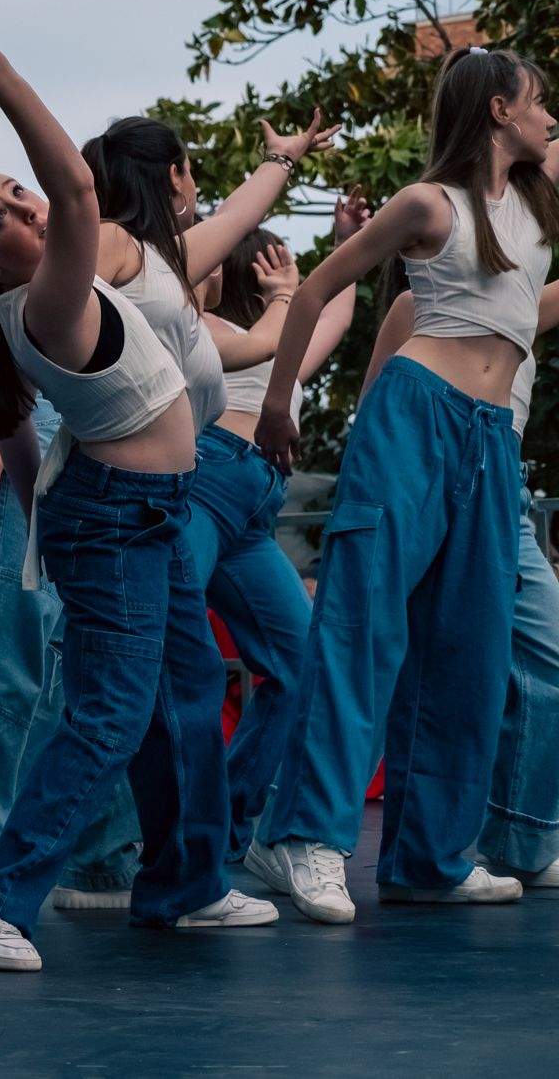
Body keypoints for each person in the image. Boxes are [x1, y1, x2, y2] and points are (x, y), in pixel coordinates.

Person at [0, 12, 274, 971]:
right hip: (120, 523)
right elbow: (75, 185)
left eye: (17, 195)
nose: (29, 209)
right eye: (3, 217)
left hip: (145, 516)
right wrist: (2, 81)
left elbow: (31, 447)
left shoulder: (79, 284)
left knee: (188, 693)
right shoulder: (46, 299)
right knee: (110, 714)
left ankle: (185, 883)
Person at [251, 45, 559, 922]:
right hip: (415, 415)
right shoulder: (430, 202)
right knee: (362, 628)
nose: (550, 116)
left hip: (493, 440)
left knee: (469, 646)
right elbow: (313, 292)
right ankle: (301, 837)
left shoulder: (533, 203)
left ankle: (428, 855)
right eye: (538, 102)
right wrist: (280, 407)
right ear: (498, 109)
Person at [364, 275, 559, 888]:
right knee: (399, 664)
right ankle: (301, 834)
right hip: (422, 479)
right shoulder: (416, 307)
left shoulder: (518, 300)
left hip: (501, 491)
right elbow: (375, 404)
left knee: (546, 651)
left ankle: (521, 838)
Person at [185, 215, 363, 860]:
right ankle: (134, 843)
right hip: (206, 484)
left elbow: (331, 322)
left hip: (253, 507)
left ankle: (230, 823)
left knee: (299, 660)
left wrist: (347, 246)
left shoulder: (265, 339)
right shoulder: (194, 327)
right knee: (167, 658)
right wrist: (287, 294)